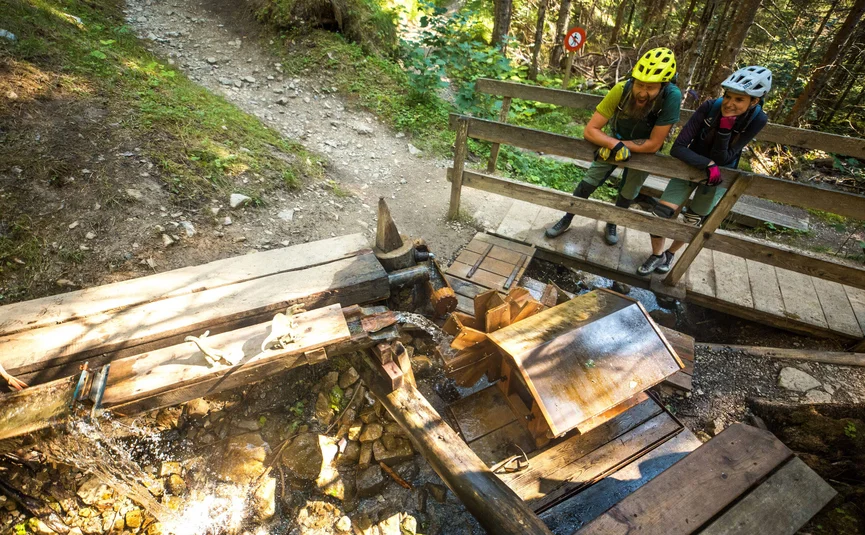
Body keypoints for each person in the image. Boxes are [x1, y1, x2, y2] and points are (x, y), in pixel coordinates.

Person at [636, 65, 772, 276]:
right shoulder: (709, 107)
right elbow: (678, 147)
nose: (729, 103)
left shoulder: (758, 119)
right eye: (728, 96)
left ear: (754, 101)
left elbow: (725, 158)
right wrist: (707, 164)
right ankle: (657, 254)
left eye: (739, 100)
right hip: (691, 167)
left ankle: (671, 254)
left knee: (692, 220)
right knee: (659, 214)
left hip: (720, 176)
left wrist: (725, 129)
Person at [545, 47, 682, 245]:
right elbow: (591, 129)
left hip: (644, 152)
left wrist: (617, 146)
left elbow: (653, 144)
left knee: (629, 191)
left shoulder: (671, 97)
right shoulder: (621, 89)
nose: (642, 93)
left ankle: (613, 222)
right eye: (639, 85)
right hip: (615, 140)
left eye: (650, 88)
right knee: (589, 181)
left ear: (663, 85)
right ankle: (567, 217)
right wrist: (614, 144)